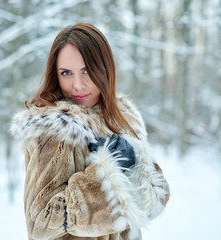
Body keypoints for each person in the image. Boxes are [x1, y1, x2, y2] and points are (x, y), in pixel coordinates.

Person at [10, 23, 170, 240]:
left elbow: (153, 204)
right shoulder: (56, 128)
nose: (77, 85)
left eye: (86, 71)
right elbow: (40, 223)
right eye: (66, 73)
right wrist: (102, 177)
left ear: (105, 68)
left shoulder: (124, 117)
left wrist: (134, 170)